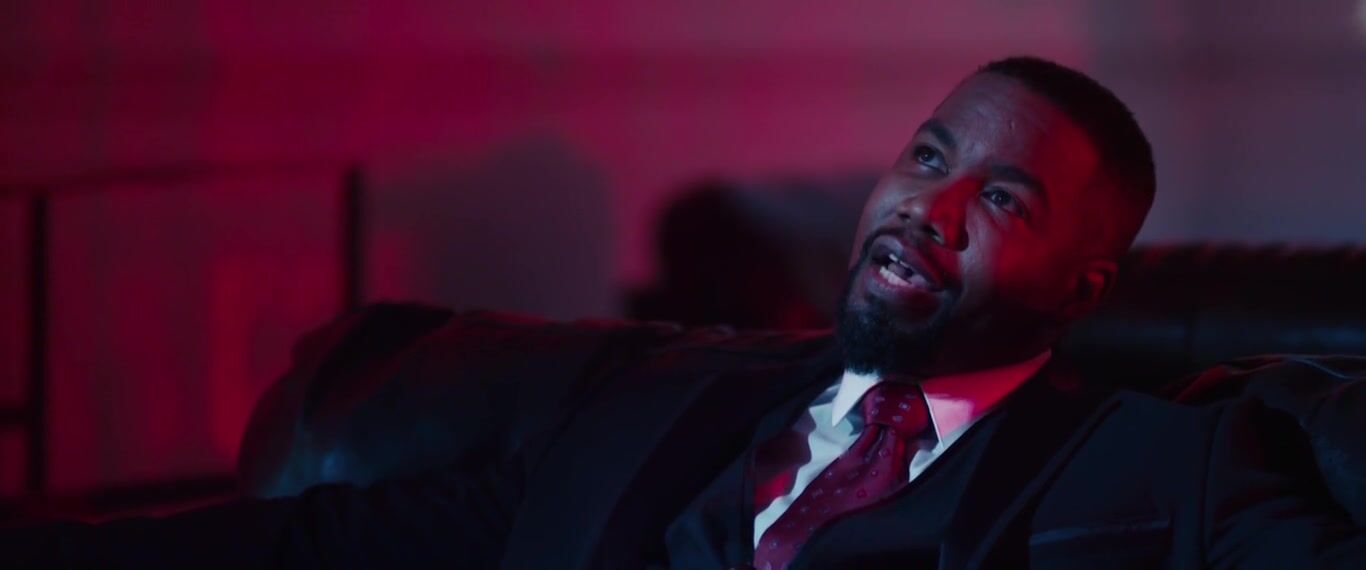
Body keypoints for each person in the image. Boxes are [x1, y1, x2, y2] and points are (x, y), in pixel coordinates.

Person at [6, 56, 1364, 568]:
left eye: (1000, 199)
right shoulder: (656, 402)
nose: (929, 209)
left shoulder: (1169, 466)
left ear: (1084, 284)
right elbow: (332, 540)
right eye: (927, 157)